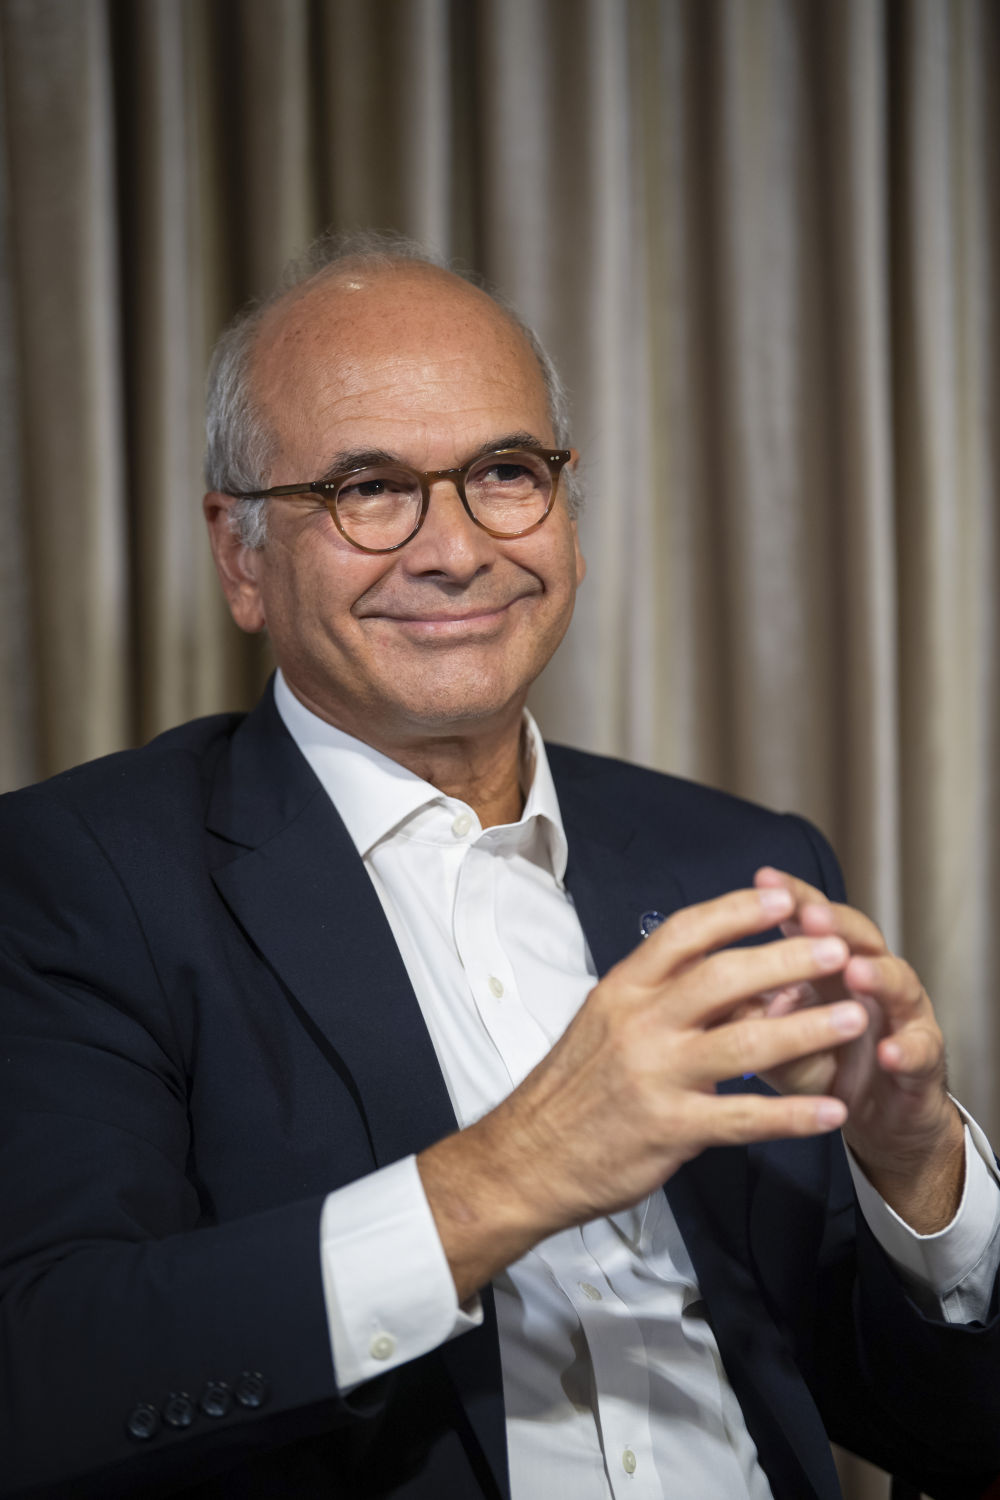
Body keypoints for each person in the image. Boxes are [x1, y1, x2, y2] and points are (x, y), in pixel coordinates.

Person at [2, 232, 999, 1500]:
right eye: (369, 488)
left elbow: (945, 1434)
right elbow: (47, 1372)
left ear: (569, 518)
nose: (456, 548)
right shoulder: (76, 876)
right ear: (242, 555)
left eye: (505, 473)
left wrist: (918, 1173)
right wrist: (514, 1171)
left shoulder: (743, 863)